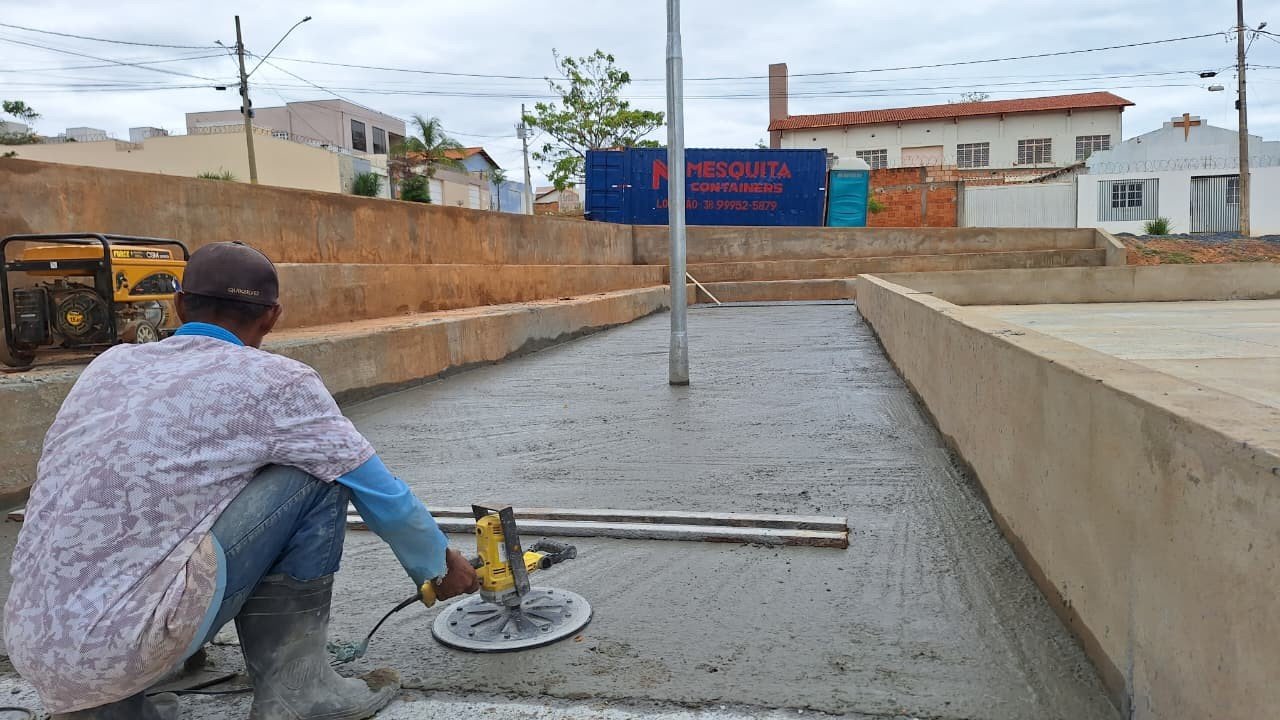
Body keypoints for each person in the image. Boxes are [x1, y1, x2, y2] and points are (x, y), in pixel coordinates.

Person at [3, 241, 480, 720]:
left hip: (35, 643)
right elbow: (379, 492)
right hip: (125, 646)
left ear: (180, 305)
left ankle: (124, 695)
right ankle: (299, 693)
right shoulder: (277, 382)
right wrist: (438, 563)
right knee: (316, 471)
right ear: (271, 317)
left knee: (178, 491)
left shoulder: (110, 365)